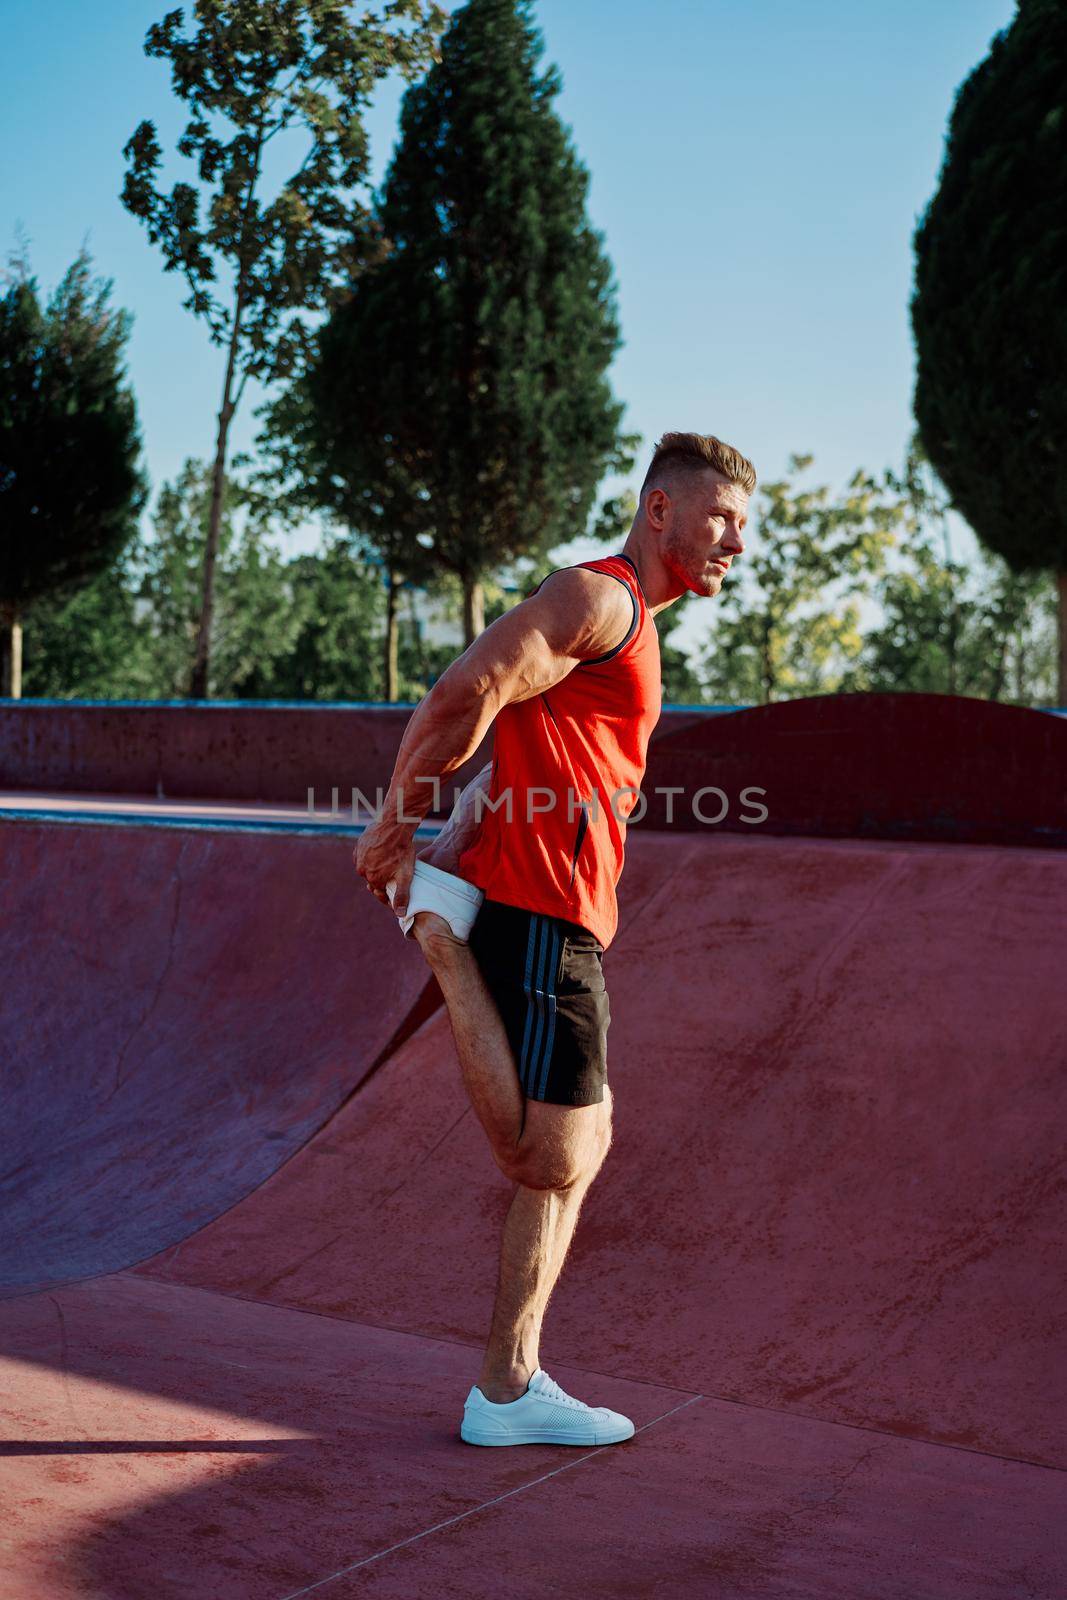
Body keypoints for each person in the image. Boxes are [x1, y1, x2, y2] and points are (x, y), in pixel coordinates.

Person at [356, 431, 755, 1446]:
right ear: (658, 510)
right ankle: (439, 940)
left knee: (586, 1139)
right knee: (546, 1154)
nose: (734, 543)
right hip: (540, 905)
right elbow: (469, 687)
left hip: (559, 900)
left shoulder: (628, 626)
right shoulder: (598, 597)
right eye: (718, 518)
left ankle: (507, 1381)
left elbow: (529, 731)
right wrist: (396, 819)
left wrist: (459, 818)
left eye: (743, 526)